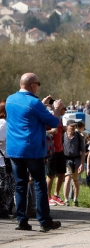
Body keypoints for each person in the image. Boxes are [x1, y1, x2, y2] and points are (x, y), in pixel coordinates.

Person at [5, 73, 62, 231]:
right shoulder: (34, 102)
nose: (38, 87)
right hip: (32, 149)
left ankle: (21, 220)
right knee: (39, 184)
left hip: (14, 149)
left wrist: (41, 106)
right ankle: (44, 221)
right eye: (38, 84)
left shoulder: (10, 99)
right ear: (32, 86)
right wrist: (56, 110)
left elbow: (26, 115)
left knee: (20, 185)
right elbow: (53, 122)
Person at [46, 100, 67, 207]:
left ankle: (56, 195)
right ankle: (48, 197)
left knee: (61, 173)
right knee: (50, 175)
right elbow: (43, 131)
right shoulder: (50, 117)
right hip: (51, 150)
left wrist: (64, 129)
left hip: (60, 149)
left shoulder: (60, 118)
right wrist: (51, 132)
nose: (65, 110)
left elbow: (59, 131)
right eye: (63, 108)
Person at [62, 119, 86, 206]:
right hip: (66, 159)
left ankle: (75, 199)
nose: (73, 128)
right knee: (67, 178)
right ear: (67, 126)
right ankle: (66, 199)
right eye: (71, 126)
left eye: (74, 126)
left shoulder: (79, 136)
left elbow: (83, 151)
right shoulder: (63, 136)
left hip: (76, 160)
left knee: (75, 180)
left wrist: (82, 164)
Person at [0, 100, 16, 219]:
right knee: (5, 186)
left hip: (6, 159)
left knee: (9, 186)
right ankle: (3, 210)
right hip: (2, 160)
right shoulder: (3, 124)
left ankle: (6, 209)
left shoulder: (7, 123)